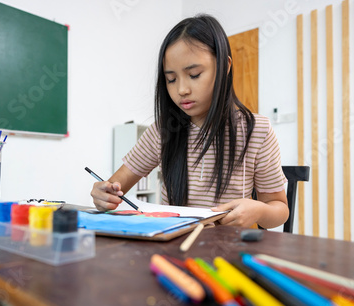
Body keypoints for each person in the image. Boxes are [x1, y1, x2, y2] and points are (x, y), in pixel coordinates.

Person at [91, 14, 288, 229]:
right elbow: (115, 186)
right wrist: (104, 195)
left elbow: (279, 209)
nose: (181, 90)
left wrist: (258, 209)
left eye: (194, 74)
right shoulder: (163, 130)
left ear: (224, 66)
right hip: (174, 244)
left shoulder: (255, 130)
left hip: (227, 250)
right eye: (171, 79)